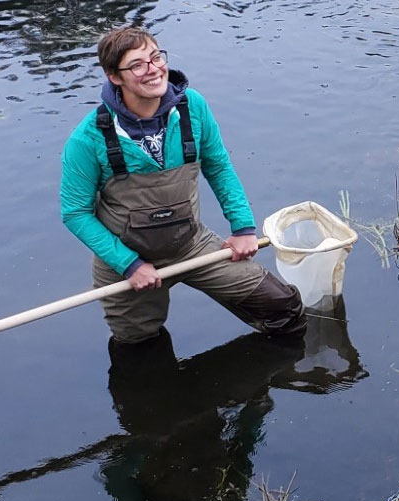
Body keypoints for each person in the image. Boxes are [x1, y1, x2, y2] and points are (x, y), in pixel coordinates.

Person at [60, 26, 305, 345]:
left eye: (155, 56)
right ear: (114, 77)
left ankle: (257, 384)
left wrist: (243, 227)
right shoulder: (87, 139)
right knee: (140, 347)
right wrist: (129, 264)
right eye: (137, 65)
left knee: (284, 308)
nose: (153, 69)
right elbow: (75, 213)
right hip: (126, 264)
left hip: (190, 244)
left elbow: (218, 166)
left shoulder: (192, 108)